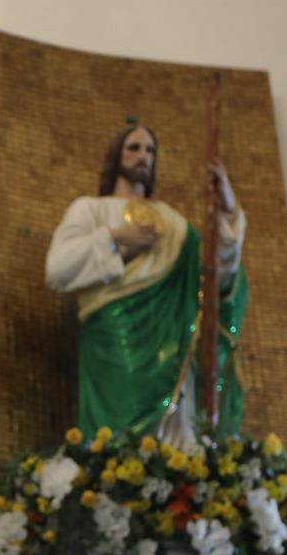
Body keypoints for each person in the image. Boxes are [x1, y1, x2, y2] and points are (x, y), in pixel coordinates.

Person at [44, 119, 250, 447]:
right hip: (115, 336)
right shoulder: (91, 210)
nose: (144, 156)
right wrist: (114, 238)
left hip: (171, 339)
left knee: (173, 432)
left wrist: (227, 210)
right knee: (114, 439)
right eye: (134, 147)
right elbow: (57, 270)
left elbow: (215, 275)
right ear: (117, 156)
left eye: (150, 150)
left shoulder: (174, 223)